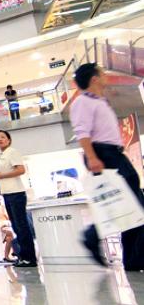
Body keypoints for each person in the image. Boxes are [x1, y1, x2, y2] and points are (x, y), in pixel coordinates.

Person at [70, 63, 144, 271]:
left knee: (130, 206)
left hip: (112, 153)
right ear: (94, 78)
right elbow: (82, 132)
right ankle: (93, 235)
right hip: (103, 154)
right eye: (101, 73)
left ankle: (133, 259)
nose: (105, 76)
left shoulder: (100, 101)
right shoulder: (83, 102)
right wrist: (92, 157)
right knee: (134, 205)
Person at [0, 130, 37, 267]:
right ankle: (23, 257)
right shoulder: (2, 155)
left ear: (9, 140)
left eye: (3, 137)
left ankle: (30, 258)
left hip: (16, 192)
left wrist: (1, 176)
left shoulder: (12, 152)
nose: (0, 139)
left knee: (22, 226)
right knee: (16, 227)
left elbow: (21, 170)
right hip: (7, 193)